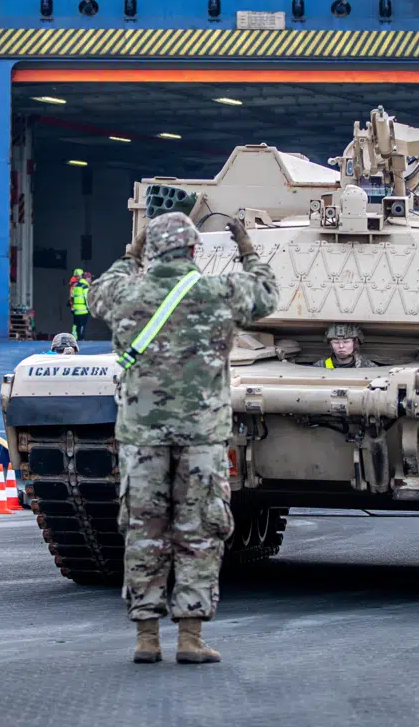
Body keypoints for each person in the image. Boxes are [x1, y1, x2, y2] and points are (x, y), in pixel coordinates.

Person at [89, 212, 278, 665]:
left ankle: (146, 638)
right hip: (201, 437)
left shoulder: (126, 292)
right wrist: (249, 252)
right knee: (199, 530)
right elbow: (266, 295)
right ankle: (191, 638)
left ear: (150, 250)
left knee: (144, 530)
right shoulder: (218, 292)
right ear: (194, 250)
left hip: (142, 435)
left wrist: (127, 255)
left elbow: (98, 295)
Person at [69, 269, 91, 338]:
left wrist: (72, 308)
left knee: (76, 324)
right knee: (82, 325)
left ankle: (74, 337)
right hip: (83, 310)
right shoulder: (85, 286)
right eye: (89, 278)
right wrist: (89, 308)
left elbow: (72, 297)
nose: (90, 280)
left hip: (76, 310)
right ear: (86, 278)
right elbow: (87, 298)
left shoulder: (76, 286)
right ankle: (81, 338)